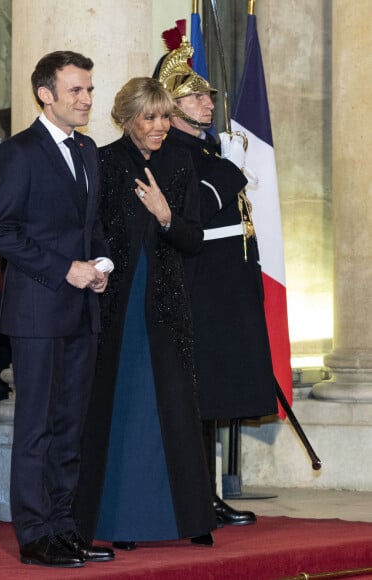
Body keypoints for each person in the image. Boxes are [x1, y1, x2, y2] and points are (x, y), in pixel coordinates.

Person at [73, 77, 216, 550]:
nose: (159, 126)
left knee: (175, 405)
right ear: (126, 119)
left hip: (167, 302)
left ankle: (192, 517)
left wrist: (165, 214)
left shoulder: (180, 162)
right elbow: (90, 229)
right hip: (116, 301)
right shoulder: (105, 161)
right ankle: (121, 522)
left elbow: (193, 239)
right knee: (123, 406)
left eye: (163, 116)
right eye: (149, 118)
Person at [0, 51, 114, 568]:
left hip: (82, 308)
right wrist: (67, 268)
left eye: (89, 90)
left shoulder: (87, 150)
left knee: (69, 425)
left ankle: (65, 528)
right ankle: (35, 534)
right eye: (76, 91)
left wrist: (99, 261)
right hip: (38, 311)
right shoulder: (18, 152)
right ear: (46, 94)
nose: (86, 100)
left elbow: (92, 225)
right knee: (36, 426)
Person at [156, 37, 278, 525]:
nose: (209, 104)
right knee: (199, 399)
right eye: (196, 98)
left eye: (207, 97)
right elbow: (195, 213)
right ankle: (198, 497)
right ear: (172, 106)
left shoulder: (205, 151)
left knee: (212, 398)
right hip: (200, 289)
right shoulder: (177, 155)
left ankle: (204, 495)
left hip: (223, 290)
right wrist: (228, 171)